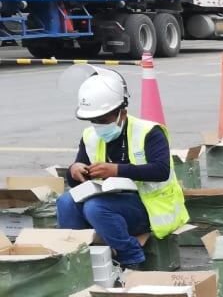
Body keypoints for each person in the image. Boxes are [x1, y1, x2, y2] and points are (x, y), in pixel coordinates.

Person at [55, 66, 188, 273]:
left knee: (96, 208)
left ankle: (131, 257)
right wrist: (74, 170)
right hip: (110, 201)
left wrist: (117, 170)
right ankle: (81, 259)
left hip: (149, 206)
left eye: (104, 120)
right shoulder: (90, 136)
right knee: (65, 202)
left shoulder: (149, 132)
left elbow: (161, 170)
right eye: (95, 120)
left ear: (122, 113)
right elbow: (77, 178)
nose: (99, 125)